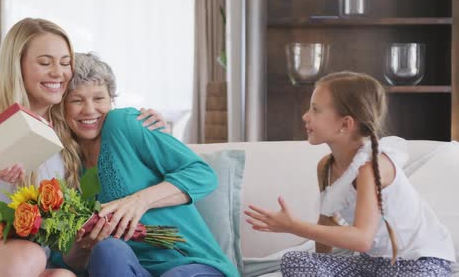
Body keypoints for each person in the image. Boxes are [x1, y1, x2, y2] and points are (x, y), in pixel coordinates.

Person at [0, 18, 168, 277]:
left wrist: (152, 127)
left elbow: (109, 134)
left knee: (64, 276)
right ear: (18, 66)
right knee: (30, 255)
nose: (58, 73)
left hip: (31, 256)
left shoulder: (66, 125)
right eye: (44, 62)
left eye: (64, 62)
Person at [244, 71, 455, 277]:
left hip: (418, 263)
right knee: (295, 260)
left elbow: (362, 239)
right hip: (372, 263)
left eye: (316, 110)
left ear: (345, 124)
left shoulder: (371, 166)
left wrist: (293, 226)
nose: (305, 116)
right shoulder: (326, 167)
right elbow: (326, 224)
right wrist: (320, 266)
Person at [50, 52, 239, 277]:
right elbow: (65, 263)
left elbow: (202, 174)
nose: (90, 110)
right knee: (107, 249)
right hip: (128, 270)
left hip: (189, 263)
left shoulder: (123, 124)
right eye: (77, 100)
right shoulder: (58, 166)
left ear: (111, 100)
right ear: (62, 107)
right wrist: (83, 247)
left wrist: (140, 200)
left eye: (99, 98)